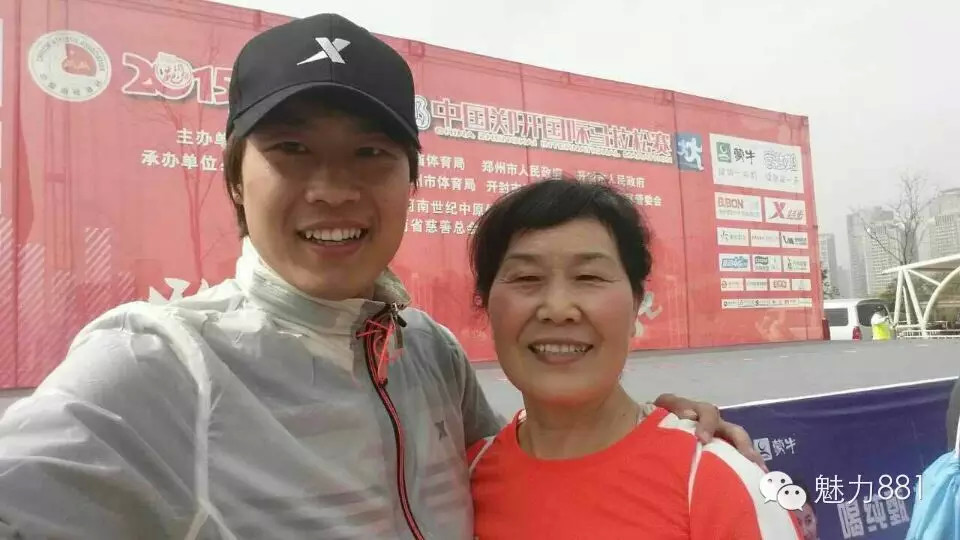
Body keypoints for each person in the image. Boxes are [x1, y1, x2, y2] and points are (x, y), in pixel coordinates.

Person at [0, 13, 760, 539]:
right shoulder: (162, 363)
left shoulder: (428, 355)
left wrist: (662, 433)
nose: (333, 188)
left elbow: (532, 470)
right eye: (292, 149)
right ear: (233, 177)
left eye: (370, 154)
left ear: (410, 182)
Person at [467, 178, 802, 539]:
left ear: (636, 303)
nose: (558, 308)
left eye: (589, 276)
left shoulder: (718, 480)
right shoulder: (462, 483)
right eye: (526, 277)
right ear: (487, 304)